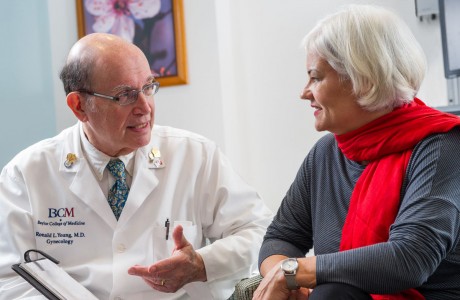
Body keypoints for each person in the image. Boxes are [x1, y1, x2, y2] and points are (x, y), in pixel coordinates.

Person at [0, 33, 272, 300]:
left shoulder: (195, 155)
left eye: (148, 87)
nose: (145, 107)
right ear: (79, 106)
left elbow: (261, 232)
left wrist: (202, 264)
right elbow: (9, 279)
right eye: (125, 95)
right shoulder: (26, 174)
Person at [253, 4, 460, 300]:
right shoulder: (326, 152)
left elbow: (409, 258)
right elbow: (281, 237)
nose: (304, 92)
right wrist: (287, 280)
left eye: (316, 77)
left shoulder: (442, 146)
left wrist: (296, 271)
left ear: (363, 79)